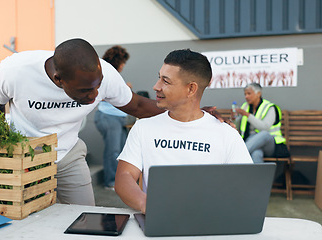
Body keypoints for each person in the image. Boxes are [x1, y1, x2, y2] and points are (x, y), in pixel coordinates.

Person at [0, 38, 223, 206]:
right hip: (23, 156)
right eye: (86, 91)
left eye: (98, 86)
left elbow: (138, 106)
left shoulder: (105, 73)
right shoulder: (14, 71)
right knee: (25, 219)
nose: (95, 96)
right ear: (58, 80)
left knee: (85, 216)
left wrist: (193, 112)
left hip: (67, 153)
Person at [114, 49, 253, 214]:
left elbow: (245, 187)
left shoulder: (227, 134)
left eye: (166, 81)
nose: (156, 86)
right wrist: (146, 203)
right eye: (159, 78)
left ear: (191, 89)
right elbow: (124, 177)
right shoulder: (143, 128)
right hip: (158, 222)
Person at [94, 45, 132, 190]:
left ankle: (119, 182)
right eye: (123, 62)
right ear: (119, 62)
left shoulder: (113, 75)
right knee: (113, 150)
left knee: (121, 152)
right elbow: (100, 95)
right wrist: (125, 89)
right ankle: (110, 182)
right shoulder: (104, 74)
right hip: (108, 117)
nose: (123, 65)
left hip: (117, 118)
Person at [234, 83, 288, 163]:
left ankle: (237, 156)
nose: (246, 97)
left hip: (270, 144)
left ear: (258, 93)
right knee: (256, 153)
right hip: (251, 141)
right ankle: (257, 176)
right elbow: (236, 127)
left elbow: (265, 128)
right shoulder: (245, 106)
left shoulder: (269, 107)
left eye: (249, 93)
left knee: (264, 134)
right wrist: (233, 118)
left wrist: (247, 115)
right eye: (245, 94)